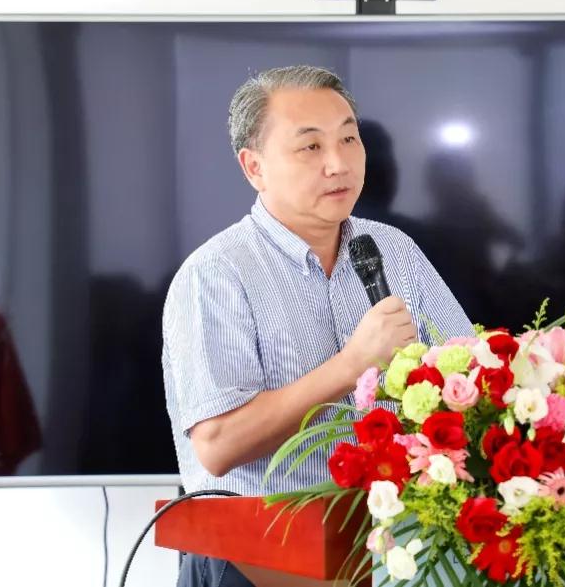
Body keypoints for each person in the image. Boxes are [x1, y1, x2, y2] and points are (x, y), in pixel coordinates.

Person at [162, 65, 473, 587]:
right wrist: (353, 365)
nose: (338, 163)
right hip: (255, 561)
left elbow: (472, 377)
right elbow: (218, 444)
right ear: (254, 167)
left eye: (349, 139)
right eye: (310, 147)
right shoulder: (216, 273)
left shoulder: (394, 250)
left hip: (392, 552)